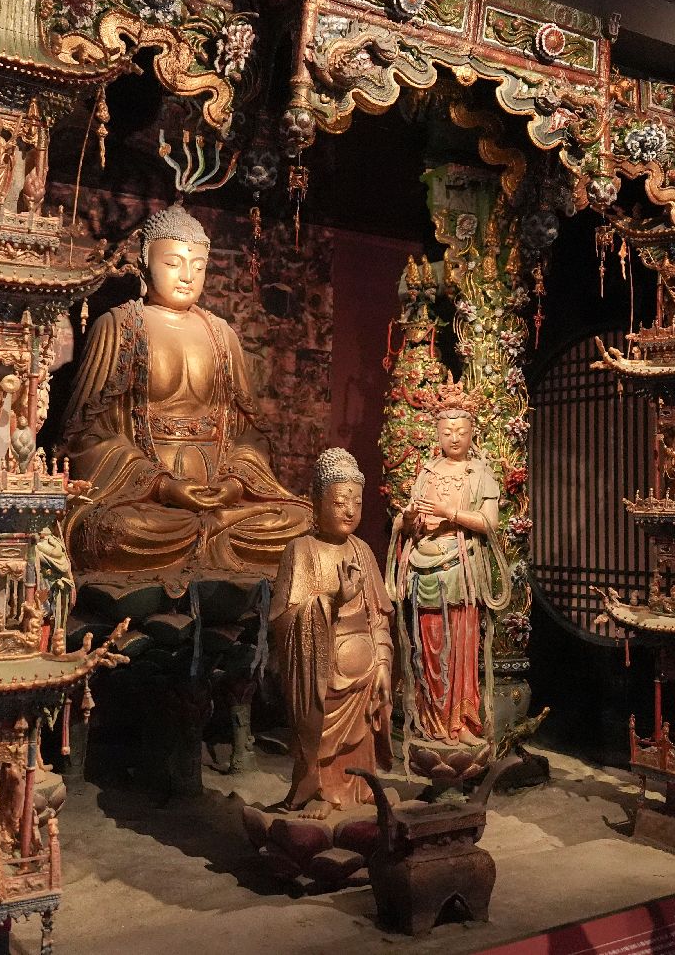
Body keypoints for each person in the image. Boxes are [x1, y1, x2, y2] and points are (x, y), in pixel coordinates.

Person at [59, 204, 310, 584]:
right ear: (145, 264)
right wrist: (163, 486)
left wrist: (234, 483)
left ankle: (212, 534)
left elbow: (251, 436)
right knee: (115, 532)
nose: (187, 276)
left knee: (302, 523)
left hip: (224, 496)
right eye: (173, 263)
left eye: (198, 265)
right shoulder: (118, 326)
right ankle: (205, 539)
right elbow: (85, 436)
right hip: (147, 502)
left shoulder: (223, 335)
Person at [269, 448, 394, 817]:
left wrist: (383, 665)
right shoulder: (301, 550)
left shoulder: (363, 551)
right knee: (321, 736)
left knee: (363, 739)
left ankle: (361, 789)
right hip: (323, 676)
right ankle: (321, 792)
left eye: (357, 502)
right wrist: (333, 600)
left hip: (365, 673)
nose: (350, 511)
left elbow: (379, 618)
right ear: (317, 502)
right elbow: (285, 619)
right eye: (340, 502)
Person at [387, 382, 510, 745]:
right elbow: (410, 522)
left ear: (472, 432)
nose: (454, 438)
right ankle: (431, 722)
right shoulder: (426, 473)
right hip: (423, 567)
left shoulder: (480, 474)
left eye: (460, 431)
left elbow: (489, 522)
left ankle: (461, 722)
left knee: (460, 649)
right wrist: (409, 520)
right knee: (428, 649)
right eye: (446, 432)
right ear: (437, 434)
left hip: (460, 569)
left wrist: (451, 513)